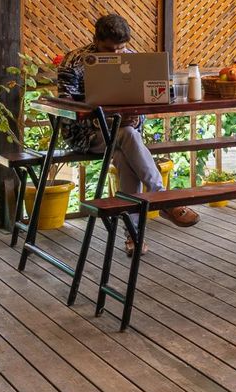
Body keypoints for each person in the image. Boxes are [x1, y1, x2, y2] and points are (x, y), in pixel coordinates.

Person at [57, 13, 197, 230]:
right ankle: (163, 198)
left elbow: (150, 96)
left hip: (125, 134)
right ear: (96, 41)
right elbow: (66, 106)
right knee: (128, 136)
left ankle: (133, 236)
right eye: (110, 50)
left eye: (121, 49)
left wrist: (137, 111)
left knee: (125, 156)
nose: (117, 54)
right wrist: (106, 118)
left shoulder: (133, 59)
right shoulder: (75, 61)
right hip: (87, 135)